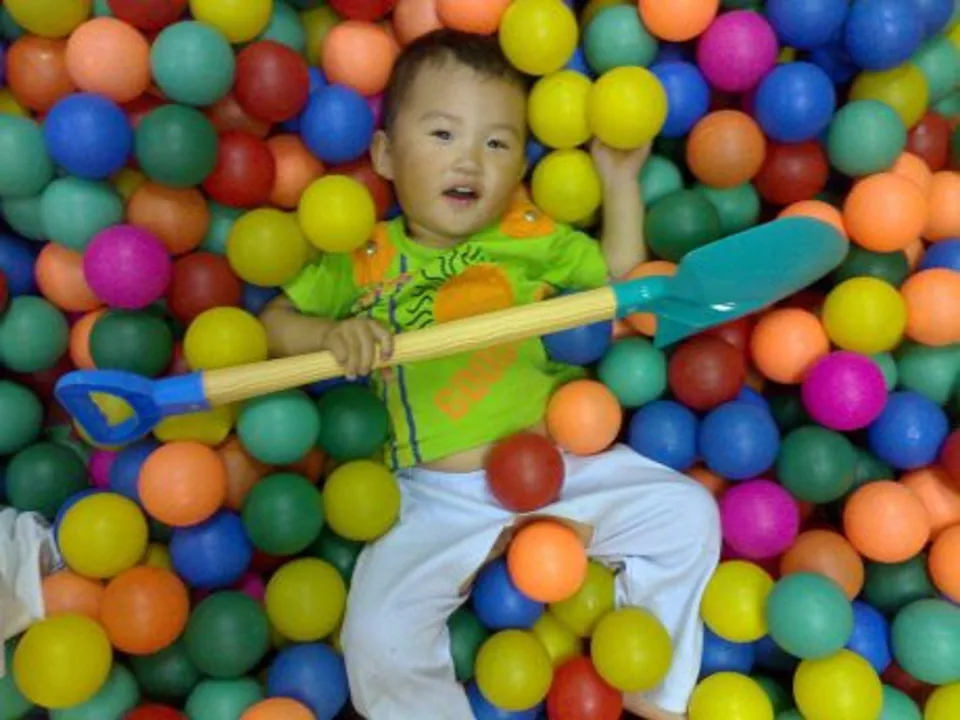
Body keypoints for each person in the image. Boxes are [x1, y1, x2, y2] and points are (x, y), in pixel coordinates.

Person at [261, 29, 720, 720]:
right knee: (377, 634)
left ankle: (653, 691)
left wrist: (620, 183)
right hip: (433, 494)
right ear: (385, 154)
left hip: (556, 460)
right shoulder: (362, 255)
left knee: (687, 515)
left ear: (520, 166)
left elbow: (620, 284)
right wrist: (330, 336)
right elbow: (273, 322)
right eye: (442, 134)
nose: (469, 159)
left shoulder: (526, 235)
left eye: (498, 143)